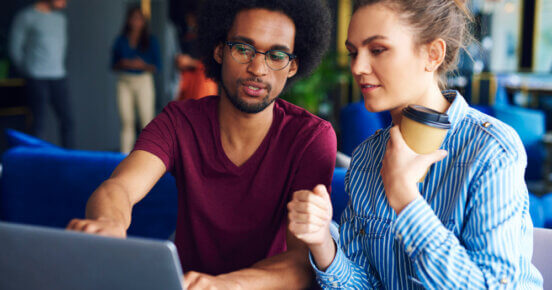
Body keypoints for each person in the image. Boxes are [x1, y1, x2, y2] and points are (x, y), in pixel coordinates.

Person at [67, 0, 334, 288]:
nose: (258, 68)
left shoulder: (310, 138)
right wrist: (109, 223)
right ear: (219, 50)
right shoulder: (180, 122)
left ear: (293, 66)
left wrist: (225, 285)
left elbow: (301, 263)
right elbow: (118, 187)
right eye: (243, 49)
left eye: (277, 55)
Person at [288, 0, 544, 288]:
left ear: (432, 54)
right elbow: (366, 284)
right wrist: (323, 242)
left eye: (377, 50)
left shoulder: (490, 150)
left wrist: (406, 200)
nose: (357, 67)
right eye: (353, 52)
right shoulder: (366, 158)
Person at [8, 0, 75, 148]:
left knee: (68, 121)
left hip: (58, 75)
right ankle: (36, 159)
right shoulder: (26, 16)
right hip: (36, 77)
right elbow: (15, 48)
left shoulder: (60, 19)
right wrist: (29, 70)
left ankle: (71, 158)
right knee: (38, 123)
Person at [111, 6, 161, 153]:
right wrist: (124, 63)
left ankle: (147, 156)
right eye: (133, 18)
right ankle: (124, 157)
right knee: (127, 121)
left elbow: (157, 66)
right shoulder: (121, 40)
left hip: (143, 80)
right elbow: (113, 65)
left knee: (147, 121)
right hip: (124, 80)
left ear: (144, 21)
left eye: (139, 19)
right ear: (128, 20)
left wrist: (142, 65)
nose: (136, 22)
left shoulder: (151, 40)